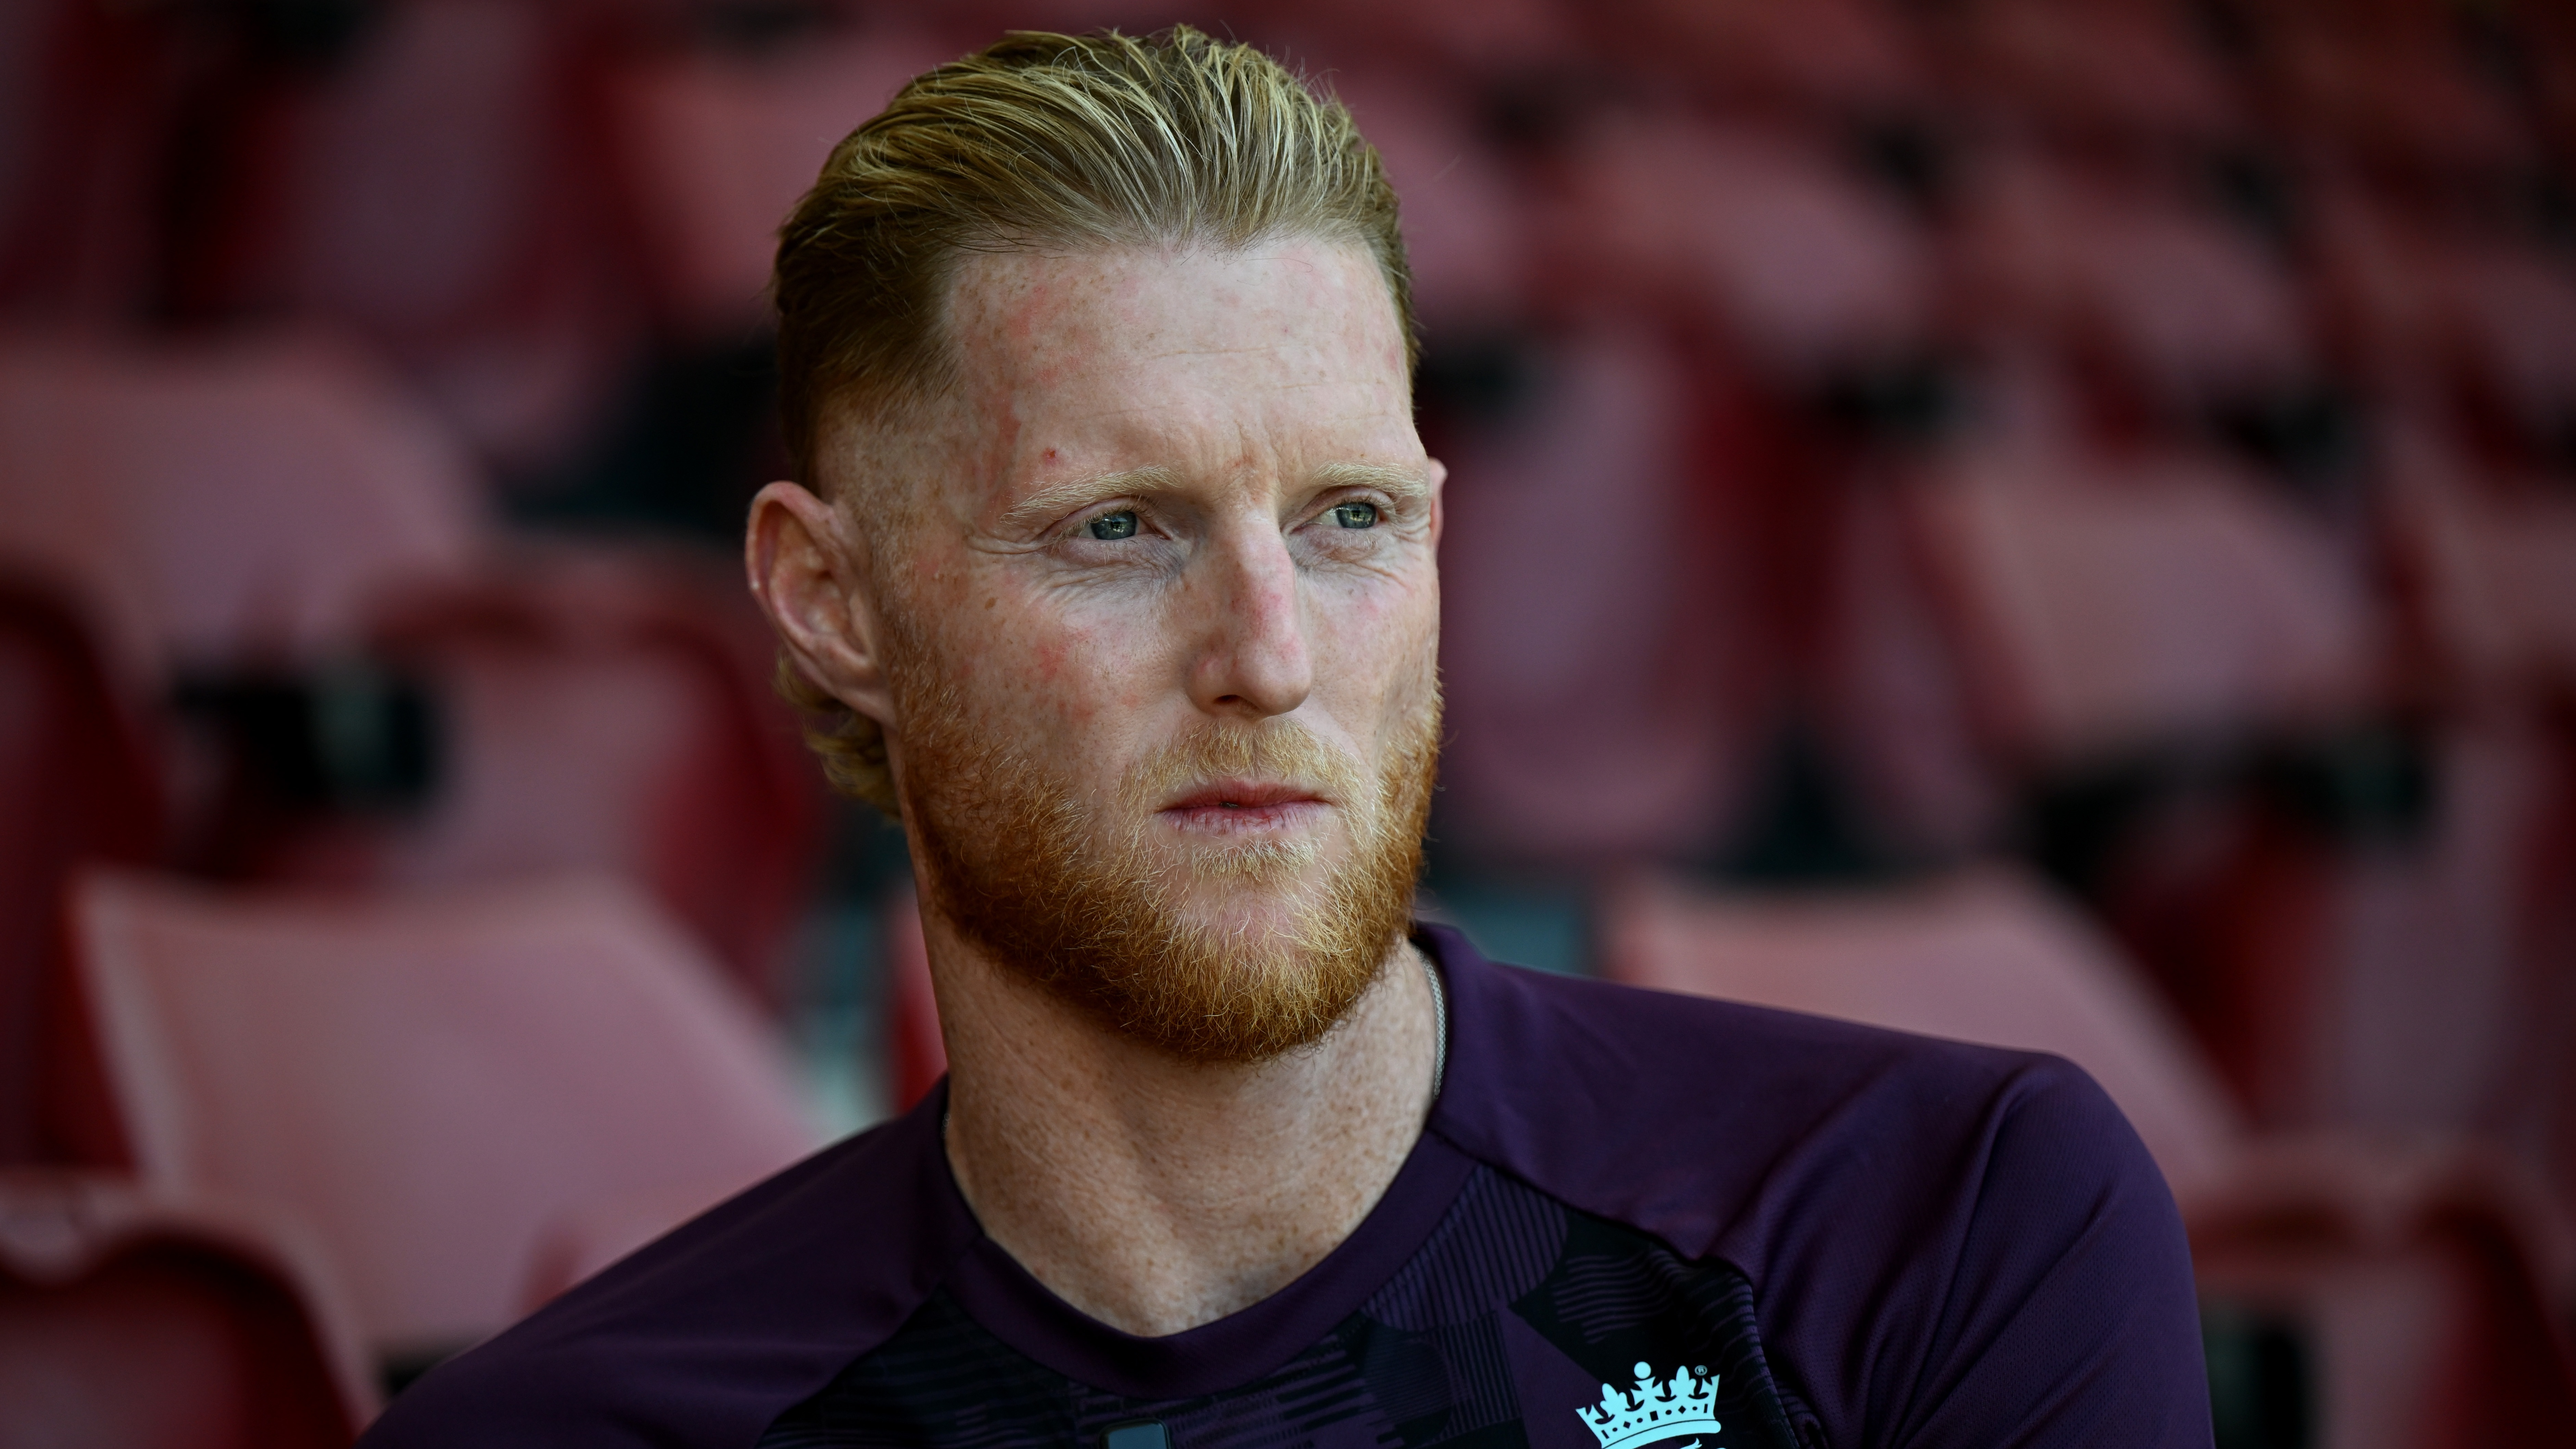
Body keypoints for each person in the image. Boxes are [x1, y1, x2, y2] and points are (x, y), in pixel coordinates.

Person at [362, 27, 2209, 1449]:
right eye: (1116, 529)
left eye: (1347, 521)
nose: (1267, 654)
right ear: (833, 600)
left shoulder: (1928, 1226)